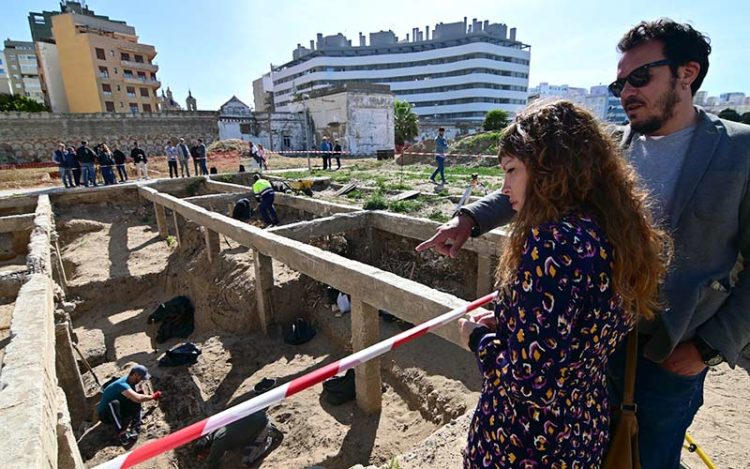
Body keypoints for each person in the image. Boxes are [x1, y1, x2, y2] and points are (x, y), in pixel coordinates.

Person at [418, 19, 750, 469]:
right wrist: (469, 218)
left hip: (672, 346)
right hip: (595, 341)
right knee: (597, 446)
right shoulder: (611, 147)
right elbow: (539, 185)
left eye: (639, 77)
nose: (626, 91)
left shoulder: (739, 151)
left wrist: (710, 348)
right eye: (619, 84)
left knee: (651, 454)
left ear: (687, 72)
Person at [453, 101, 667, 467]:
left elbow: (533, 385)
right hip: (582, 426)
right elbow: (574, 332)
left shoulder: (552, 244)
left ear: (549, 169)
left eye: (512, 171)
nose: (504, 188)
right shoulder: (616, 231)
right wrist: (510, 326)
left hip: (528, 442)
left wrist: (478, 338)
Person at [96, 364, 162, 446]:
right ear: (135, 375)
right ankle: (121, 433)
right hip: (106, 415)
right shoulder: (122, 384)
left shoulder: (131, 383)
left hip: (118, 410)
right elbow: (137, 398)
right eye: (141, 378)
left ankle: (135, 430)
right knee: (114, 403)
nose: (141, 380)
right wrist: (152, 397)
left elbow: (136, 399)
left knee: (135, 401)